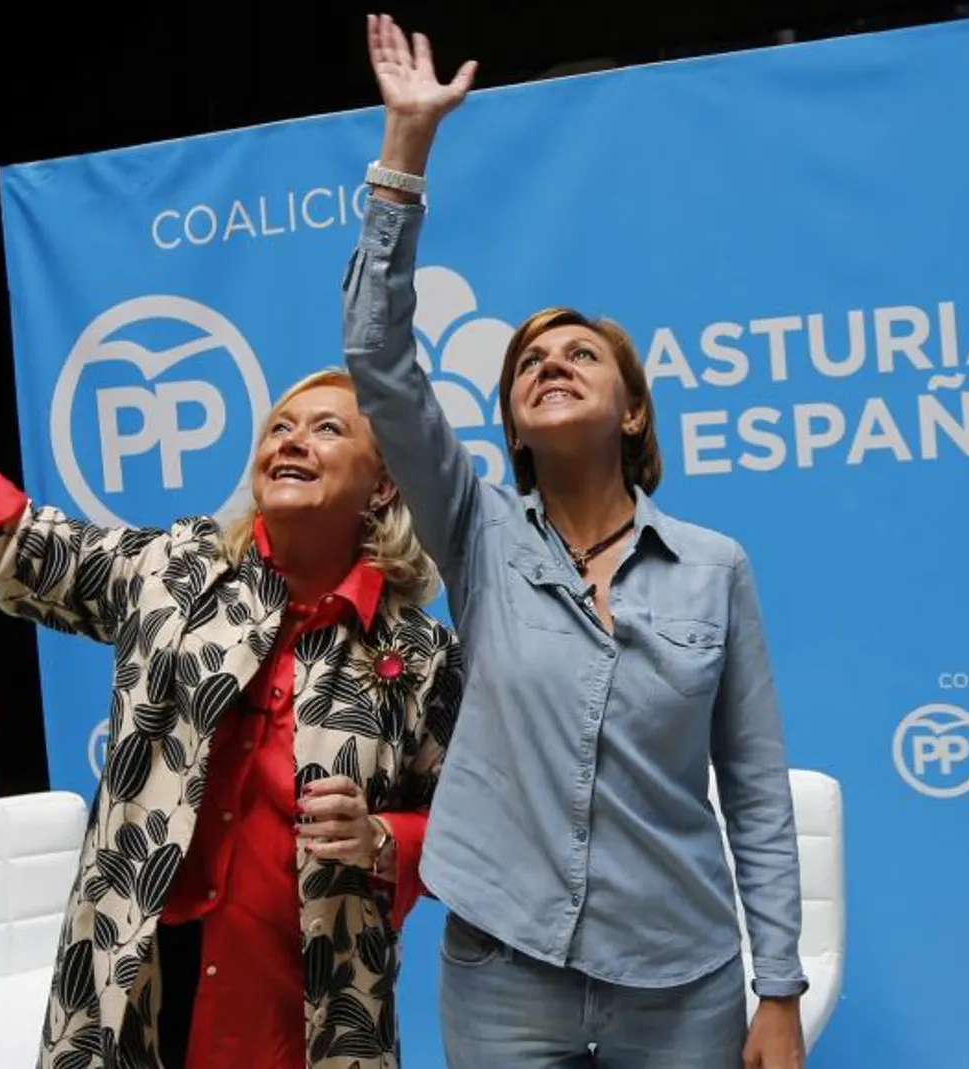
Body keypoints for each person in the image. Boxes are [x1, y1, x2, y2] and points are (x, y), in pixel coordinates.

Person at [0, 220, 464, 1069]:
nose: (291, 438)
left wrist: (386, 839)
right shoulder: (171, 570)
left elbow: (480, 823)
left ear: (385, 481)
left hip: (312, 1016)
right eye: (281, 425)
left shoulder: (421, 653)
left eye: (327, 429)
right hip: (134, 997)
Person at [340, 14, 808, 1069]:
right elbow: (376, 355)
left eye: (580, 353)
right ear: (508, 423)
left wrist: (775, 987)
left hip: (680, 980)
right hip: (502, 968)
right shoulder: (476, 529)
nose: (550, 362)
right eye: (528, 362)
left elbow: (754, 786)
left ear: (632, 411)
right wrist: (405, 152)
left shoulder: (714, 567)